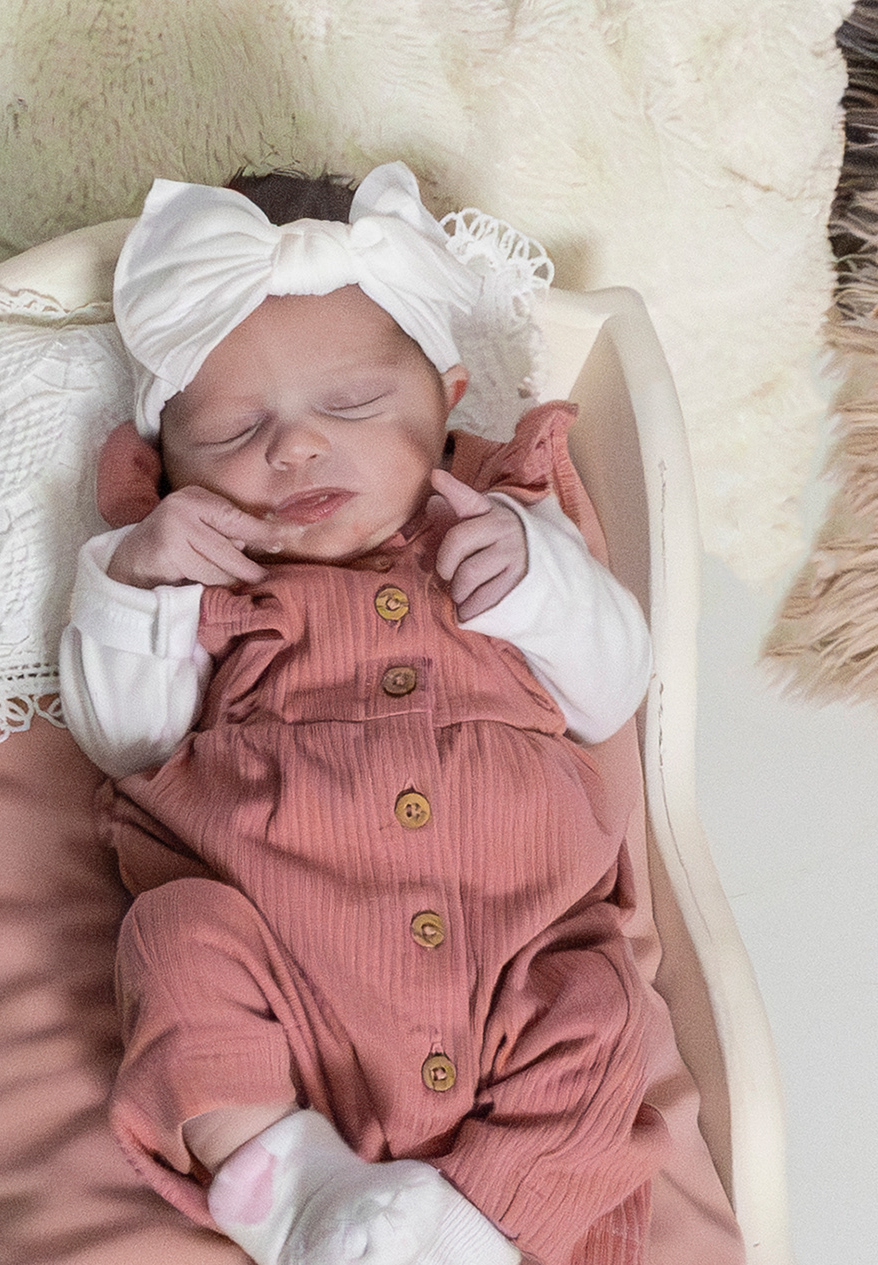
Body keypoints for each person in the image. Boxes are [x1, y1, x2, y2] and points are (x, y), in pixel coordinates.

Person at [60, 163, 736, 1265]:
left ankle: (479, 1230)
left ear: (447, 396)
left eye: (353, 406)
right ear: (167, 461)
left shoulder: (506, 531)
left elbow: (611, 690)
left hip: (513, 947)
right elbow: (126, 739)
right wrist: (141, 583)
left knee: (603, 1006)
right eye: (232, 431)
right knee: (174, 946)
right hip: (280, 951)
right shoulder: (201, 582)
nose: (294, 448)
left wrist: (538, 583)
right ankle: (297, 1196)